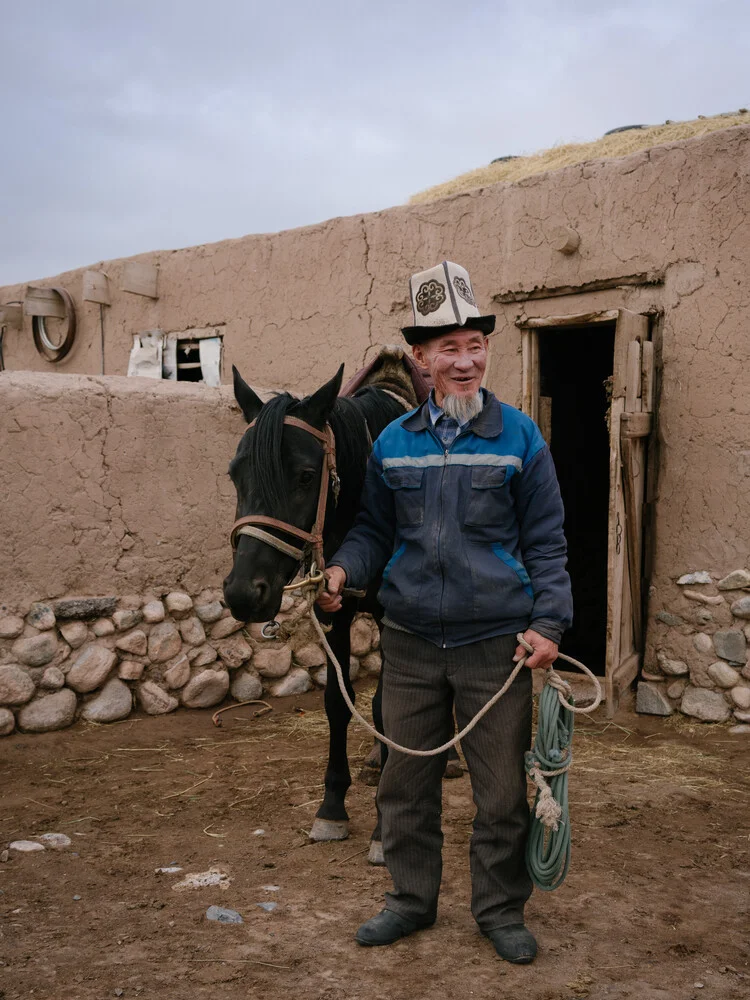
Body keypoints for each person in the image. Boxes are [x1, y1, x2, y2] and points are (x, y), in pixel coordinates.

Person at [317, 261, 573, 964]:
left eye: (474, 345)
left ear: (486, 351)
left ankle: (498, 911)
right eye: (447, 349)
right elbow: (373, 531)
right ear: (422, 360)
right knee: (404, 786)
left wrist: (549, 624)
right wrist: (344, 568)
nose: (464, 361)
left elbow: (548, 542)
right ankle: (408, 900)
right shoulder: (393, 443)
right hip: (411, 645)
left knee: (499, 797)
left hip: (497, 646)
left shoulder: (520, 438)